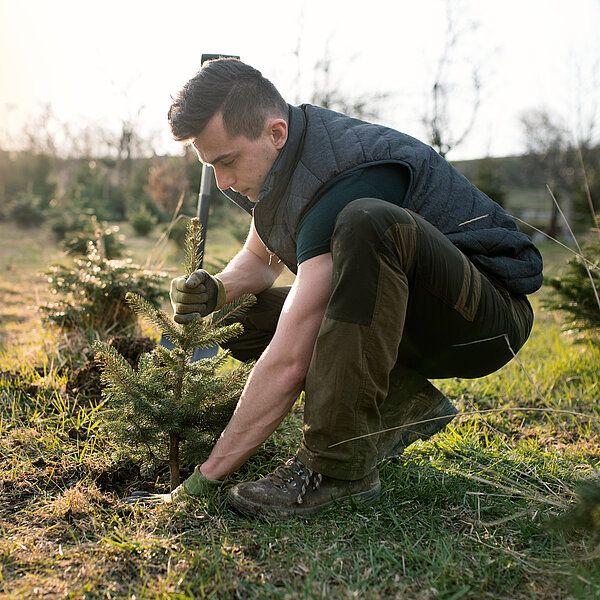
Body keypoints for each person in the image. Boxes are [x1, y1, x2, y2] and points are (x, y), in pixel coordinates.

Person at [141, 58, 543, 517]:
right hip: (404, 313)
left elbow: (291, 355)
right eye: (210, 165)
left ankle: (335, 469)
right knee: (238, 312)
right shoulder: (281, 159)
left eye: (227, 161)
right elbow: (259, 258)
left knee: (367, 221)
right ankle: (401, 401)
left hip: (483, 319)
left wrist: (207, 475)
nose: (223, 181)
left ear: (275, 132)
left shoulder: (343, 173)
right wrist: (215, 289)